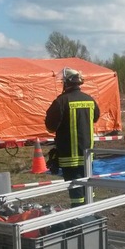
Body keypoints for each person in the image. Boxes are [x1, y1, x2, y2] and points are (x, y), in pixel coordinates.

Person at [45, 68, 100, 208]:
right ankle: (90, 212)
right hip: (88, 154)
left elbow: (50, 126)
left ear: (66, 83)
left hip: (69, 156)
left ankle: (79, 217)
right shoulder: (90, 100)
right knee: (88, 185)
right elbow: (96, 117)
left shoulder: (61, 102)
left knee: (76, 190)